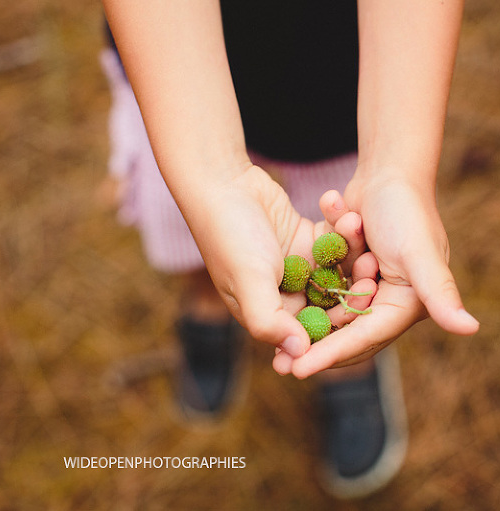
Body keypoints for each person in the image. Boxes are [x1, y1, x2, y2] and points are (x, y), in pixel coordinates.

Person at [100, 0, 479, 499]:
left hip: (346, 77)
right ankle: (209, 299)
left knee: (348, 219)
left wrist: (396, 170)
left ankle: (353, 360)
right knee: (193, 222)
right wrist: (214, 179)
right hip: (173, 70)